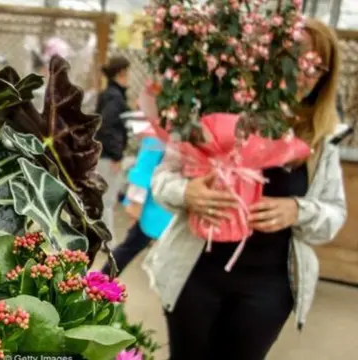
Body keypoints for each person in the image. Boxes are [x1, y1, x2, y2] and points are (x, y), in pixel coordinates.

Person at [143, 18, 347, 360]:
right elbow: (162, 178)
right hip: (195, 275)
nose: (304, 72)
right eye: (296, 57)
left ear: (324, 78)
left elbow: (334, 213)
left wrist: (298, 210)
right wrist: (187, 192)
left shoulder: (321, 140)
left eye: (317, 67)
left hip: (267, 286)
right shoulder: (218, 112)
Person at [101, 135, 173, 276]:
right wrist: (136, 202)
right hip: (153, 207)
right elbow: (144, 168)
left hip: (169, 207)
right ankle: (99, 282)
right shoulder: (159, 136)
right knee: (131, 245)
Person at [95, 55, 131, 237]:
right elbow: (107, 126)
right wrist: (116, 154)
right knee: (106, 201)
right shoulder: (115, 99)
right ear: (120, 74)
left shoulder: (107, 95)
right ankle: (106, 240)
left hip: (104, 154)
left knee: (102, 199)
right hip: (108, 156)